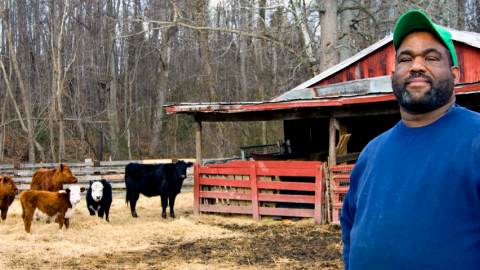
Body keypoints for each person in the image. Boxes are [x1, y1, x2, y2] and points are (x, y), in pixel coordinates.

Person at [340, 10, 480, 269]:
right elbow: (349, 226)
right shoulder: (372, 152)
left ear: (455, 74)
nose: (416, 66)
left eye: (430, 57)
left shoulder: (475, 139)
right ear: (394, 75)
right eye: (405, 59)